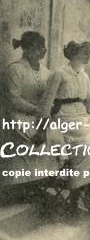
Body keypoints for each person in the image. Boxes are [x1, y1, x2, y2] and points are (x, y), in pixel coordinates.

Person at [41, 41, 90, 197]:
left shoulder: (84, 76)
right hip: (65, 119)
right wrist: (43, 122)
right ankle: (77, 180)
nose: (88, 56)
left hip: (83, 117)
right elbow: (47, 101)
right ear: (74, 54)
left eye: (89, 53)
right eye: (85, 53)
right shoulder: (59, 74)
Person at [0, 32, 60, 186]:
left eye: (42, 47)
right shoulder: (15, 69)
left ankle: (41, 182)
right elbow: (13, 99)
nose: (41, 51)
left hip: (39, 116)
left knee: (53, 135)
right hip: (18, 114)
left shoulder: (46, 72)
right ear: (26, 49)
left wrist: (48, 108)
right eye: (36, 48)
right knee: (28, 138)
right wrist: (36, 110)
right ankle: (18, 185)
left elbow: (49, 98)